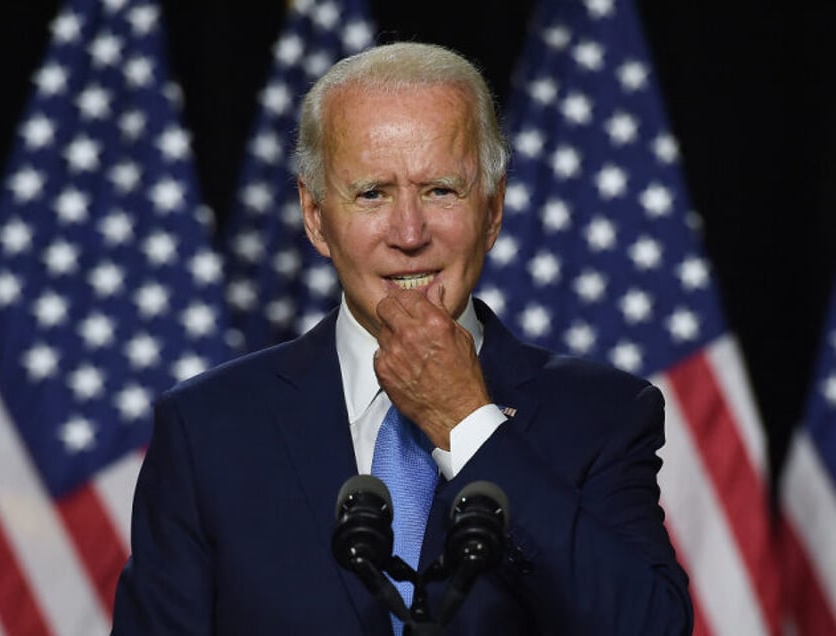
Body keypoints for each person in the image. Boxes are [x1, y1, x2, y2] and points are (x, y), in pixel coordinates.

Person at [111, 42, 693, 634]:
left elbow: (650, 626)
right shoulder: (207, 429)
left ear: (492, 211)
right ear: (315, 218)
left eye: (441, 189)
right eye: (373, 194)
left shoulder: (603, 415)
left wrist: (467, 421)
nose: (409, 233)